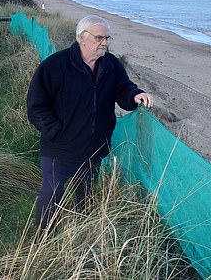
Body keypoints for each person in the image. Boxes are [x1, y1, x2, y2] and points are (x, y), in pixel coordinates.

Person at [27, 14, 153, 230]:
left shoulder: (111, 64)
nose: (104, 43)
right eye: (99, 38)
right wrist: (58, 131)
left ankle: (83, 231)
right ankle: (43, 239)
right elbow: (36, 107)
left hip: (94, 148)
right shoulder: (55, 66)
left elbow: (123, 88)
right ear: (82, 38)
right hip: (60, 149)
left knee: (85, 194)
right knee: (51, 194)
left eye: (107, 38)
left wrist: (135, 96)